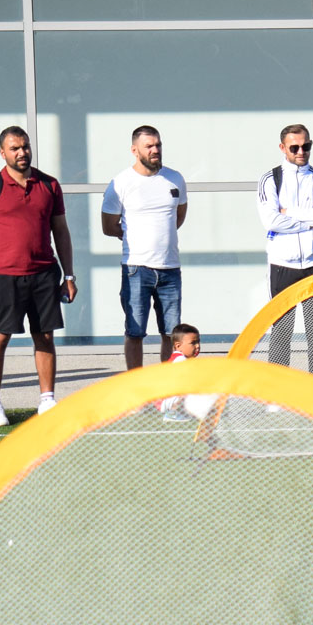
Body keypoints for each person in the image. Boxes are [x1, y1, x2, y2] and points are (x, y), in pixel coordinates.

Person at [0, 125, 77, 426]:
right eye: (15, 148)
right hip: (5, 277)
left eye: (25, 146)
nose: (22, 152)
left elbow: (61, 231)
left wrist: (69, 276)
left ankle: (47, 400)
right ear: (3, 153)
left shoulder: (49, 185)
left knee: (45, 336)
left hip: (44, 274)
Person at [101, 124, 186, 370]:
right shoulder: (121, 183)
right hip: (136, 269)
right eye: (149, 146)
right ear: (134, 150)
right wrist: (135, 235)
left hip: (170, 268)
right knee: (135, 331)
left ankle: (168, 386)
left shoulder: (175, 178)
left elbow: (178, 217)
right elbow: (108, 226)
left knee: (171, 333)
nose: (155, 150)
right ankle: (135, 385)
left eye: (158, 145)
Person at [258, 123, 313, 378]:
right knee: (281, 332)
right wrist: (310, 218)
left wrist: (288, 212)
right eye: (294, 147)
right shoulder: (271, 179)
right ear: (283, 148)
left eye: (306, 146)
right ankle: (277, 391)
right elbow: (271, 221)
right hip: (283, 265)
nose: (301, 152)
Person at [159, 323, 202, 421]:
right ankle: (172, 413)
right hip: (170, 401)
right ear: (178, 346)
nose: (197, 346)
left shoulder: (180, 358)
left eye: (198, 342)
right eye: (193, 343)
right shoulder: (180, 360)